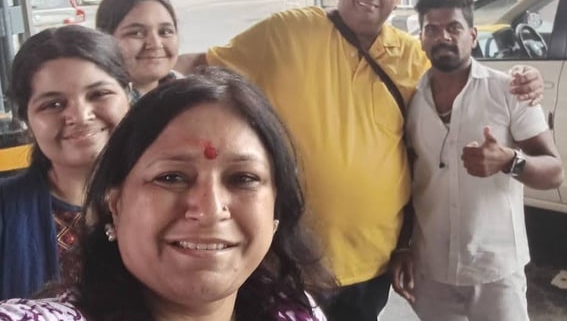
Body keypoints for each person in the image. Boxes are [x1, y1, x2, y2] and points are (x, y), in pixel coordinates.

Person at [175, 0, 545, 321]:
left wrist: (523, 80)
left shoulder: (412, 55)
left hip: (373, 262)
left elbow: (465, 74)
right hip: (291, 258)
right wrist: (144, 79)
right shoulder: (288, 32)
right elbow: (202, 65)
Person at [0, 67, 334, 320]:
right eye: (171, 177)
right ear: (115, 205)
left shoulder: (294, 311)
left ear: (276, 211)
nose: (209, 209)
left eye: (243, 178)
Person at [390, 0, 564, 321]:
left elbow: (555, 172)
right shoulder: (410, 100)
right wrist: (402, 246)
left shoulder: (508, 91)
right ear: (421, 39)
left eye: (454, 28)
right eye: (432, 29)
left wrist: (509, 161)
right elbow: (408, 181)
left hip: (495, 270)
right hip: (432, 269)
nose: (443, 37)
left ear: (472, 36)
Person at [0, 25, 132, 300]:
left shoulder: (173, 197)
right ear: (26, 120)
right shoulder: (6, 211)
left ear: (128, 95)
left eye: (98, 94)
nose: (80, 116)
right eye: (53, 104)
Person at [95, 0, 180, 103]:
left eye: (165, 32)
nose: (156, 44)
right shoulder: (97, 107)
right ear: (104, 39)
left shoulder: (186, 94)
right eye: (136, 33)